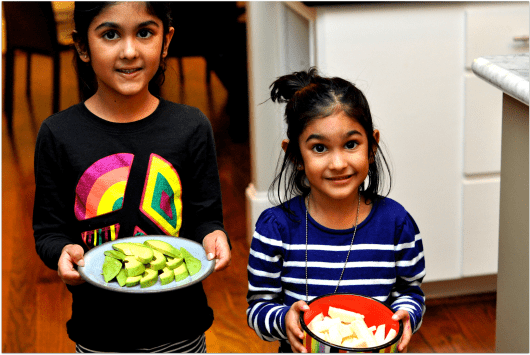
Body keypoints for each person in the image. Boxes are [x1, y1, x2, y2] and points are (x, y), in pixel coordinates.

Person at [33, 2, 231, 352]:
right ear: (82, 46)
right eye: (110, 34)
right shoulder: (57, 134)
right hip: (99, 333)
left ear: (166, 40)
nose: (129, 51)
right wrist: (62, 251)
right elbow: (49, 229)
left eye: (144, 33)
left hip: (180, 329)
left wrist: (214, 234)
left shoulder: (192, 127)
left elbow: (205, 216)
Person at [246, 68, 425, 353]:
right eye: (319, 148)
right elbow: (258, 308)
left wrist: (407, 315)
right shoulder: (275, 228)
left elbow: (410, 292)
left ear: (372, 146)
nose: (338, 162)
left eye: (351, 144)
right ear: (295, 155)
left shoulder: (396, 224)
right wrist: (284, 320)